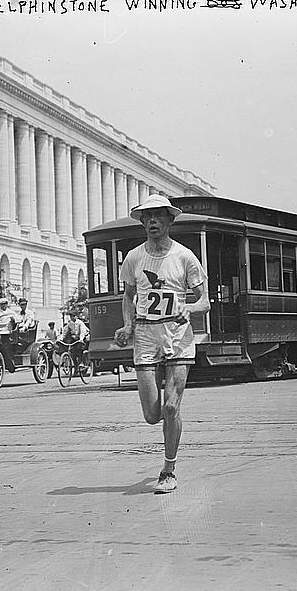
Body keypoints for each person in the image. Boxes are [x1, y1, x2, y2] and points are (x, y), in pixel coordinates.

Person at [114, 195, 209, 494]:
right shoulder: (133, 258)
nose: (153, 221)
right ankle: (166, 455)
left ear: (170, 220)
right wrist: (128, 324)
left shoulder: (184, 257)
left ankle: (168, 469)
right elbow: (128, 296)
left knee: (171, 407)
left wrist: (189, 309)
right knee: (152, 415)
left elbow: (204, 301)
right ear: (142, 222)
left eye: (158, 216)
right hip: (144, 335)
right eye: (147, 217)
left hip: (178, 336)